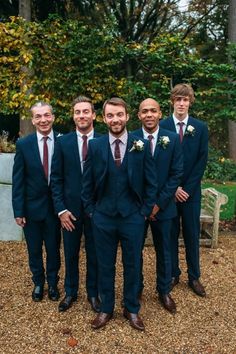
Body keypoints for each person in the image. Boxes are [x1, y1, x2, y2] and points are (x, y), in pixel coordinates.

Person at [82, 97, 158, 331]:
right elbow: (86, 185)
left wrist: (144, 212)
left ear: (127, 116)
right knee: (105, 264)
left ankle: (131, 308)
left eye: (119, 114)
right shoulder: (95, 146)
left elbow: (151, 183)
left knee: (133, 263)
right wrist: (92, 212)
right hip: (103, 218)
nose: (115, 119)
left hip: (132, 218)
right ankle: (106, 309)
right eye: (110, 115)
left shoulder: (140, 144)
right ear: (104, 118)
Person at [50, 96, 101, 313]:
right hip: (69, 211)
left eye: (86, 111)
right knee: (70, 252)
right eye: (78, 112)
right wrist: (61, 210)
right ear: (74, 116)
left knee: (95, 253)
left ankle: (93, 293)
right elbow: (56, 179)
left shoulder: (103, 140)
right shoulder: (63, 143)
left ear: (94, 115)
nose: (82, 115)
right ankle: (70, 291)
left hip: (97, 211)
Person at [133, 98, 183, 313]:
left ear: (160, 113)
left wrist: (158, 204)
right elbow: (129, 175)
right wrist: (145, 205)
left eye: (153, 110)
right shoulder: (131, 139)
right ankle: (136, 288)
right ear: (138, 115)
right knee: (135, 250)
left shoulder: (171, 139)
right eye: (145, 111)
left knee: (165, 250)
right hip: (137, 208)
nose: (149, 114)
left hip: (164, 207)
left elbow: (176, 174)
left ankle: (164, 290)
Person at [160, 83, 208, 297]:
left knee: (191, 234)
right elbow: (158, 161)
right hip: (169, 193)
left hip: (191, 193)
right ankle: (172, 273)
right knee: (169, 235)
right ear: (172, 102)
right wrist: (173, 188)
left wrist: (186, 189)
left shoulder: (200, 128)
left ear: (190, 102)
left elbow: (201, 161)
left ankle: (194, 276)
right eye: (178, 99)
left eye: (185, 100)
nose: (181, 103)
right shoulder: (163, 126)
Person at [12, 102, 61, 302]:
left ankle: (53, 282)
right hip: (31, 208)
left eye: (46, 115)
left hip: (55, 208)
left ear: (53, 117)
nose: (43, 120)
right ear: (33, 120)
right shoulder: (24, 144)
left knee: (53, 248)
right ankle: (38, 282)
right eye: (38, 116)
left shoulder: (62, 141)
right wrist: (18, 211)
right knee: (34, 249)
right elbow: (18, 180)